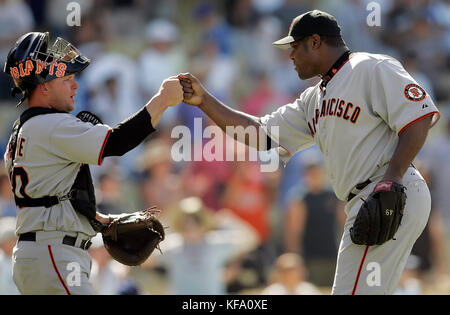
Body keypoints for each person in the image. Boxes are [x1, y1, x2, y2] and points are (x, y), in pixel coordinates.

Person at [178, 10, 441, 295]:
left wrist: (392, 179)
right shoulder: (313, 99)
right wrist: (204, 101)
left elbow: (418, 117)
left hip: (389, 189)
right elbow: (261, 133)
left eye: (295, 46)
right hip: (368, 198)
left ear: (315, 42)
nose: (290, 56)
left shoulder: (370, 66)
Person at [3, 31, 183, 295]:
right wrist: (163, 100)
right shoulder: (50, 125)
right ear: (44, 86)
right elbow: (117, 142)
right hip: (56, 254)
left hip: (42, 252)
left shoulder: (22, 130)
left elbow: (53, 197)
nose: (76, 86)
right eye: (67, 79)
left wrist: (99, 220)